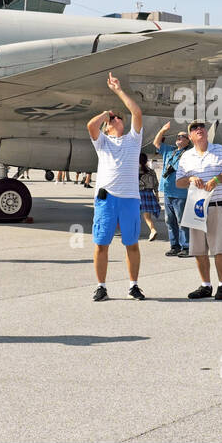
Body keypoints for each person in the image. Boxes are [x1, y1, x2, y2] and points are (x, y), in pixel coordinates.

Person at [86, 73, 146, 301]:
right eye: (113, 121)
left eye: (118, 118)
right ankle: (101, 286)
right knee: (101, 244)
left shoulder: (133, 139)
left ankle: (133, 285)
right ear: (107, 128)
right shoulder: (102, 141)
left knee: (131, 243)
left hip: (129, 198)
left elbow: (137, 113)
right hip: (106, 199)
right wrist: (105, 114)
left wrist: (118, 91)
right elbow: (91, 126)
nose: (116, 120)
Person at [175, 121, 222, 300]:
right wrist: (191, 179)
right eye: (194, 129)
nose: (198, 129)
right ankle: (205, 285)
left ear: (206, 133)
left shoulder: (219, 150)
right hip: (196, 207)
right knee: (199, 250)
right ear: (191, 137)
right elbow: (179, 182)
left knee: (219, 248)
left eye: (201, 127)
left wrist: (217, 179)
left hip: (216, 204)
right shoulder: (186, 156)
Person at [153, 121, 190, 257]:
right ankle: (174, 245)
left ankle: (186, 246)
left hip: (181, 192)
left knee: (182, 220)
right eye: (178, 136)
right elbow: (156, 143)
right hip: (168, 191)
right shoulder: (170, 150)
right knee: (170, 220)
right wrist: (162, 130)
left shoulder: (190, 153)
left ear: (188, 141)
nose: (178, 138)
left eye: (182, 137)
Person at [138, 152, 161, 242]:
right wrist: (157, 194)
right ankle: (152, 230)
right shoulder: (151, 171)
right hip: (149, 194)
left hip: (138, 194)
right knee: (147, 216)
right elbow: (156, 184)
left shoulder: (134, 171)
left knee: (133, 215)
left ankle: (129, 231)